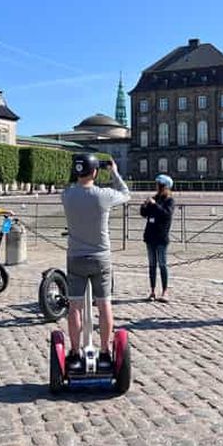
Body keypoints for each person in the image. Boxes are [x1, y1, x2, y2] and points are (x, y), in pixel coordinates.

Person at [62, 154, 130, 372]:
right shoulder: (104, 195)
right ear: (95, 172)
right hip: (101, 257)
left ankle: (74, 352)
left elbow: (73, 185)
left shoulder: (67, 195)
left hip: (75, 257)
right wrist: (114, 172)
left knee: (75, 307)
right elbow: (126, 194)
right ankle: (104, 351)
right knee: (104, 304)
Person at [140, 174, 175, 303]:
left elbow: (166, 215)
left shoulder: (169, 201)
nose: (157, 188)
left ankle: (165, 291)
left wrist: (154, 205)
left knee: (162, 264)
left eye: (160, 185)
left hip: (161, 237)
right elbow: (144, 214)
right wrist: (144, 206)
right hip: (150, 236)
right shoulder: (155, 198)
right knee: (152, 265)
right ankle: (152, 290)